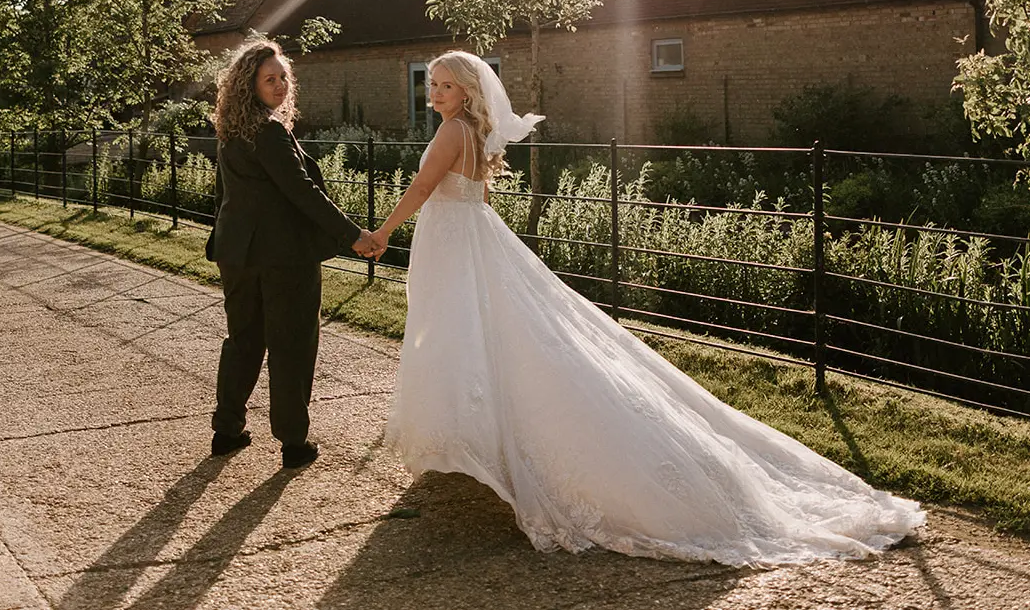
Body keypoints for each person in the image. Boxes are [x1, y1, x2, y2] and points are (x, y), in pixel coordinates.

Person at [366, 50, 925, 566]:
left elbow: (420, 189)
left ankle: (490, 441)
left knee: (464, 330)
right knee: (479, 329)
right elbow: (478, 196)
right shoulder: (474, 132)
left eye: (444, 86)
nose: (434, 93)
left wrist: (383, 232)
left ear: (467, 91)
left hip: (453, 237)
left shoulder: (449, 133)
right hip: (471, 234)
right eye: (431, 85)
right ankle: (478, 442)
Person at [206, 40, 380, 469]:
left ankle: (226, 431)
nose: (281, 85)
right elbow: (303, 193)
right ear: (250, 85)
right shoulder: (268, 133)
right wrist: (353, 235)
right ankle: (293, 444)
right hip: (283, 257)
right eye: (270, 79)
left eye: (284, 76)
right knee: (292, 346)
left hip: (237, 253)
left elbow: (226, 195)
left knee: (243, 341)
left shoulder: (231, 132)